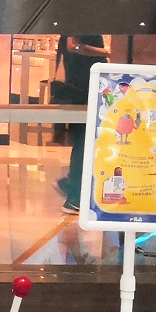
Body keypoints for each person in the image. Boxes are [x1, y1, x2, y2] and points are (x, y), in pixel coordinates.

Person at [53, 35, 109, 213]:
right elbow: (74, 46)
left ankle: (73, 187)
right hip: (84, 88)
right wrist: (106, 52)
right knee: (85, 142)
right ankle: (75, 195)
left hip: (79, 87)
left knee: (83, 142)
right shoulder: (83, 22)